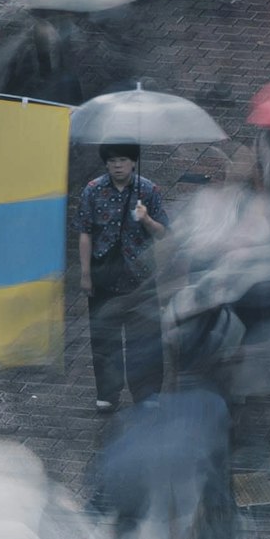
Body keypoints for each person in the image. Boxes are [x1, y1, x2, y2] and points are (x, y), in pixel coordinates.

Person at [76, 141, 171, 411]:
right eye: (112, 161)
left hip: (141, 278)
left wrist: (146, 220)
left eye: (123, 160)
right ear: (106, 164)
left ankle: (147, 392)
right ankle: (108, 393)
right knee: (104, 338)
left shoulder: (148, 191)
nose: (118, 165)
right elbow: (85, 232)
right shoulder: (93, 190)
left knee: (145, 338)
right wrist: (85, 274)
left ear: (132, 162)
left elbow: (164, 233)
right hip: (105, 276)